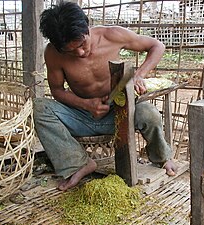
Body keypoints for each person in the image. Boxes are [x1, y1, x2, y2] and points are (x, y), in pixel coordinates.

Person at [34, 1, 177, 191]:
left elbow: (157, 46)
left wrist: (139, 74)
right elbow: (57, 90)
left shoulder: (113, 35)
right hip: (82, 117)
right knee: (39, 107)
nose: (81, 52)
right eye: (71, 51)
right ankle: (79, 164)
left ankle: (162, 157)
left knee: (149, 113)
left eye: (83, 44)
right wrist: (86, 104)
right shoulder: (53, 53)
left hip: (119, 114)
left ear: (87, 26)